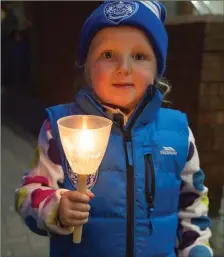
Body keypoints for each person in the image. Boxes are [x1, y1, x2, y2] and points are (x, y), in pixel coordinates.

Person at [15, 1, 213, 257]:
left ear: (157, 70)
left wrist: (197, 249)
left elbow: (193, 206)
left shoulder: (177, 133)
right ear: (86, 66)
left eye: (140, 56)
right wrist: (57, 209)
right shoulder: (61, 127)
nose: (124, 68)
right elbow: (28, 193)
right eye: (108, 55)